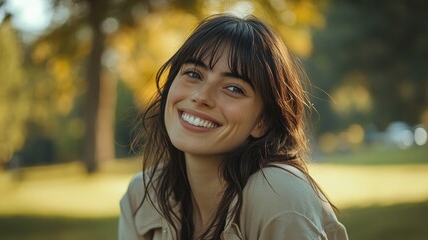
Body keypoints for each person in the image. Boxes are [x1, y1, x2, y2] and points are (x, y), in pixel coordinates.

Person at [119, 14, 348, 240]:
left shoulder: (279, 195)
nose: (201, 96)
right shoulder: (141, 195)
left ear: (262, 122)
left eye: (234, 88)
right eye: (193, 73)